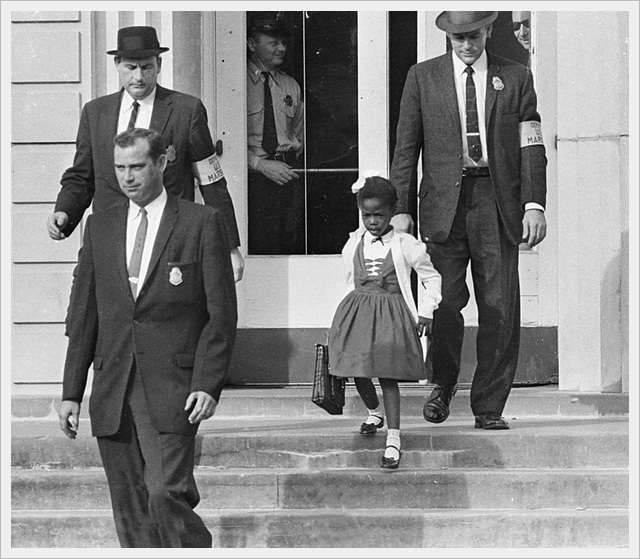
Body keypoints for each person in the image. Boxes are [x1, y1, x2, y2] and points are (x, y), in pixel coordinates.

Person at [58, 128, 237, 548]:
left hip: (174, 389)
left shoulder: (200, 222)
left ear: (162, 162)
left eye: (137, 166)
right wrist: (71, 392)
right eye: (120, 168)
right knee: (131, 512)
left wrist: (207, 385)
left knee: (166, 494)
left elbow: (221, 316)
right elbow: (84, 316)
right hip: (113, 388)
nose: (128, 177)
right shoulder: (99, 227)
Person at [390, 11, 547, 430]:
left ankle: (489, 404)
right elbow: (406, 148)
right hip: (444, 207)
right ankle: (442, 385)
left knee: (499, 305)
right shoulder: (423, 77)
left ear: (488, 31)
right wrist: (401, 209)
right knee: (444, 301)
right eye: (457, 38)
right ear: (447, 37)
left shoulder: (514, 77)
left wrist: (534, 204)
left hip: (497, 202)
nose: (466, 45)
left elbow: (531, 145)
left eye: (473, 36)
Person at [47, 25, 244, 282]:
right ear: (117, 64)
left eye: (146, 67)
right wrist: (65, 212)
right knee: (88, 317)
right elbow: (82, 176)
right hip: (110, 240)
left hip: (169, 241)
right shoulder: (96, 113)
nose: (138, 77)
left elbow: (211, 181)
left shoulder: (186, 110)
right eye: (130, 67)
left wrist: (230, 247)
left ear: (159, 64)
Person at [328, 175, 441, 468]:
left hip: (391, 314)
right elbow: (349, 279)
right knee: (358, 370)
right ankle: (374, 411)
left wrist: (427, 309)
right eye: (367, 215)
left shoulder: (406, 245)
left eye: (379, 215)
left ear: (393, 212)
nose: (373, 222)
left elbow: (431, 277)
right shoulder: (354, 243)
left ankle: (393, 438)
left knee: (388, 375)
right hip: (358, 312)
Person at [246, 12, 305, 254]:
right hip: (252, 180)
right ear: (251, 44)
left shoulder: (290, 85)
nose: (282, 48)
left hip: (287, 177)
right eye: (273, 43)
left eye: (283, 43)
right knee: (259, 247)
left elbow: (298, 134)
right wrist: (259, 165)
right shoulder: (237, 84)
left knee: (288, 245)